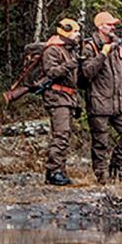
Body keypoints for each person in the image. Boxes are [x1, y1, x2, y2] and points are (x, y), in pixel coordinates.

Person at [79, 10, 122, 186]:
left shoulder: (117, 46)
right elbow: (86, 73)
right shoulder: (90, 47)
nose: (113, 28)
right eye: (109, 24)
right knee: (100, 143)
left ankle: (116, 169)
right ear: (99, 26)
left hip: (119, 103)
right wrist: (103, 54)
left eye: (114, 25)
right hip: (99, 103)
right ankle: (101, 176)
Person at [40, 18, 83, 186]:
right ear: (65, 31)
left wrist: (76, 102)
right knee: (61, 134)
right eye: (74, 32)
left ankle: (60, 170)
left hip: (67, 98)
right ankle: (53, 171)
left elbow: (72, 82)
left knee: (64, 135)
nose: (78, 35)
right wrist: (72, 64)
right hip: (57, 97)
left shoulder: (70, 50)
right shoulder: (52, 50)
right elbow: (51, 73)